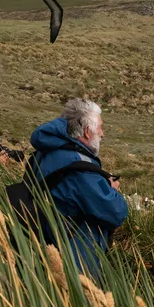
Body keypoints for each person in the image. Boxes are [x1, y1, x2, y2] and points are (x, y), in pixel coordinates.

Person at [28, 98, 127, 279]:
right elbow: (115, 212)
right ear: (87, 132)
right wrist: (112, 190)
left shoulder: (46, 152)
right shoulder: (79, 167)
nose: (102, 134)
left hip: (45, 247)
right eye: (100, 128)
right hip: (75, 263)